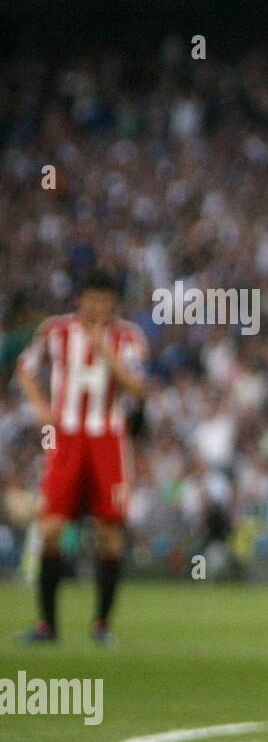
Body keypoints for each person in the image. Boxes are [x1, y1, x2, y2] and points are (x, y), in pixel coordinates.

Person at [15, 270, 149, 645]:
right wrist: (41, 406)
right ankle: (47, 625)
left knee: (109, 534)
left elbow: (140, 388)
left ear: (114, 304)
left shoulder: (128, 338)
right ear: (80, 299)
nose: (98, 307)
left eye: (106, 301)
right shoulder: (54, 331)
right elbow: (25, 368)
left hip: (108, 439)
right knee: (51, 529)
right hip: (66, 439)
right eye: (92, 299)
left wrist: (105, 350)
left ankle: (101, 625)